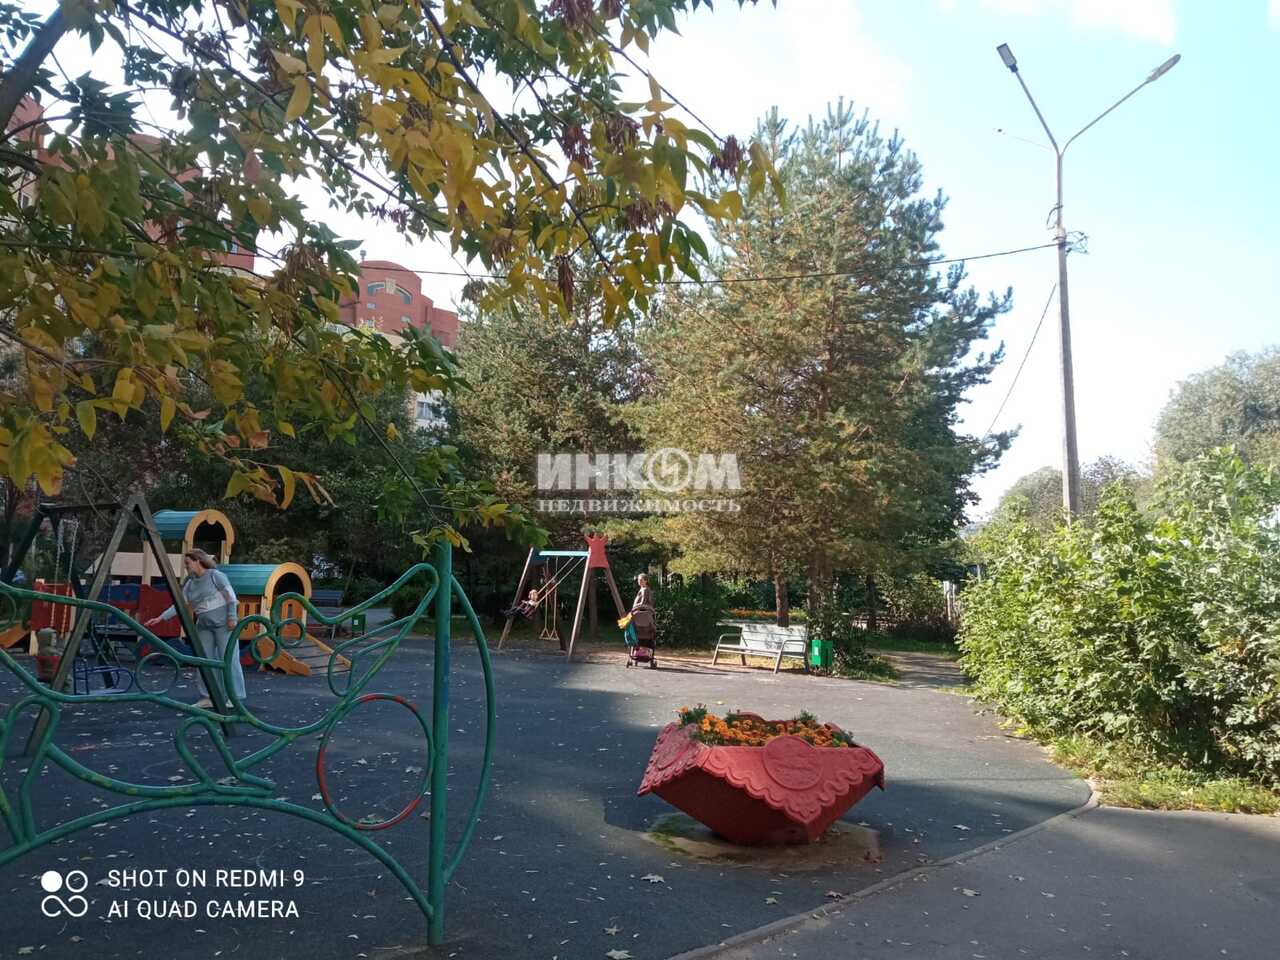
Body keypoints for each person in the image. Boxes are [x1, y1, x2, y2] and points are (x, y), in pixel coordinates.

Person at [145, 549, 244, 707]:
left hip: (223, 624)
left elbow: (230, 597)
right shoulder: (190, 583)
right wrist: (161, 618)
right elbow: (180, 604)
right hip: (204, 625)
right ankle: (209, 696)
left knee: (229, 660)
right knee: (204, 660)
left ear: (198, 561)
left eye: (188, 563)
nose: (186, 566)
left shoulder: (215, 576)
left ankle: (234, 697)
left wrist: (232, 617)